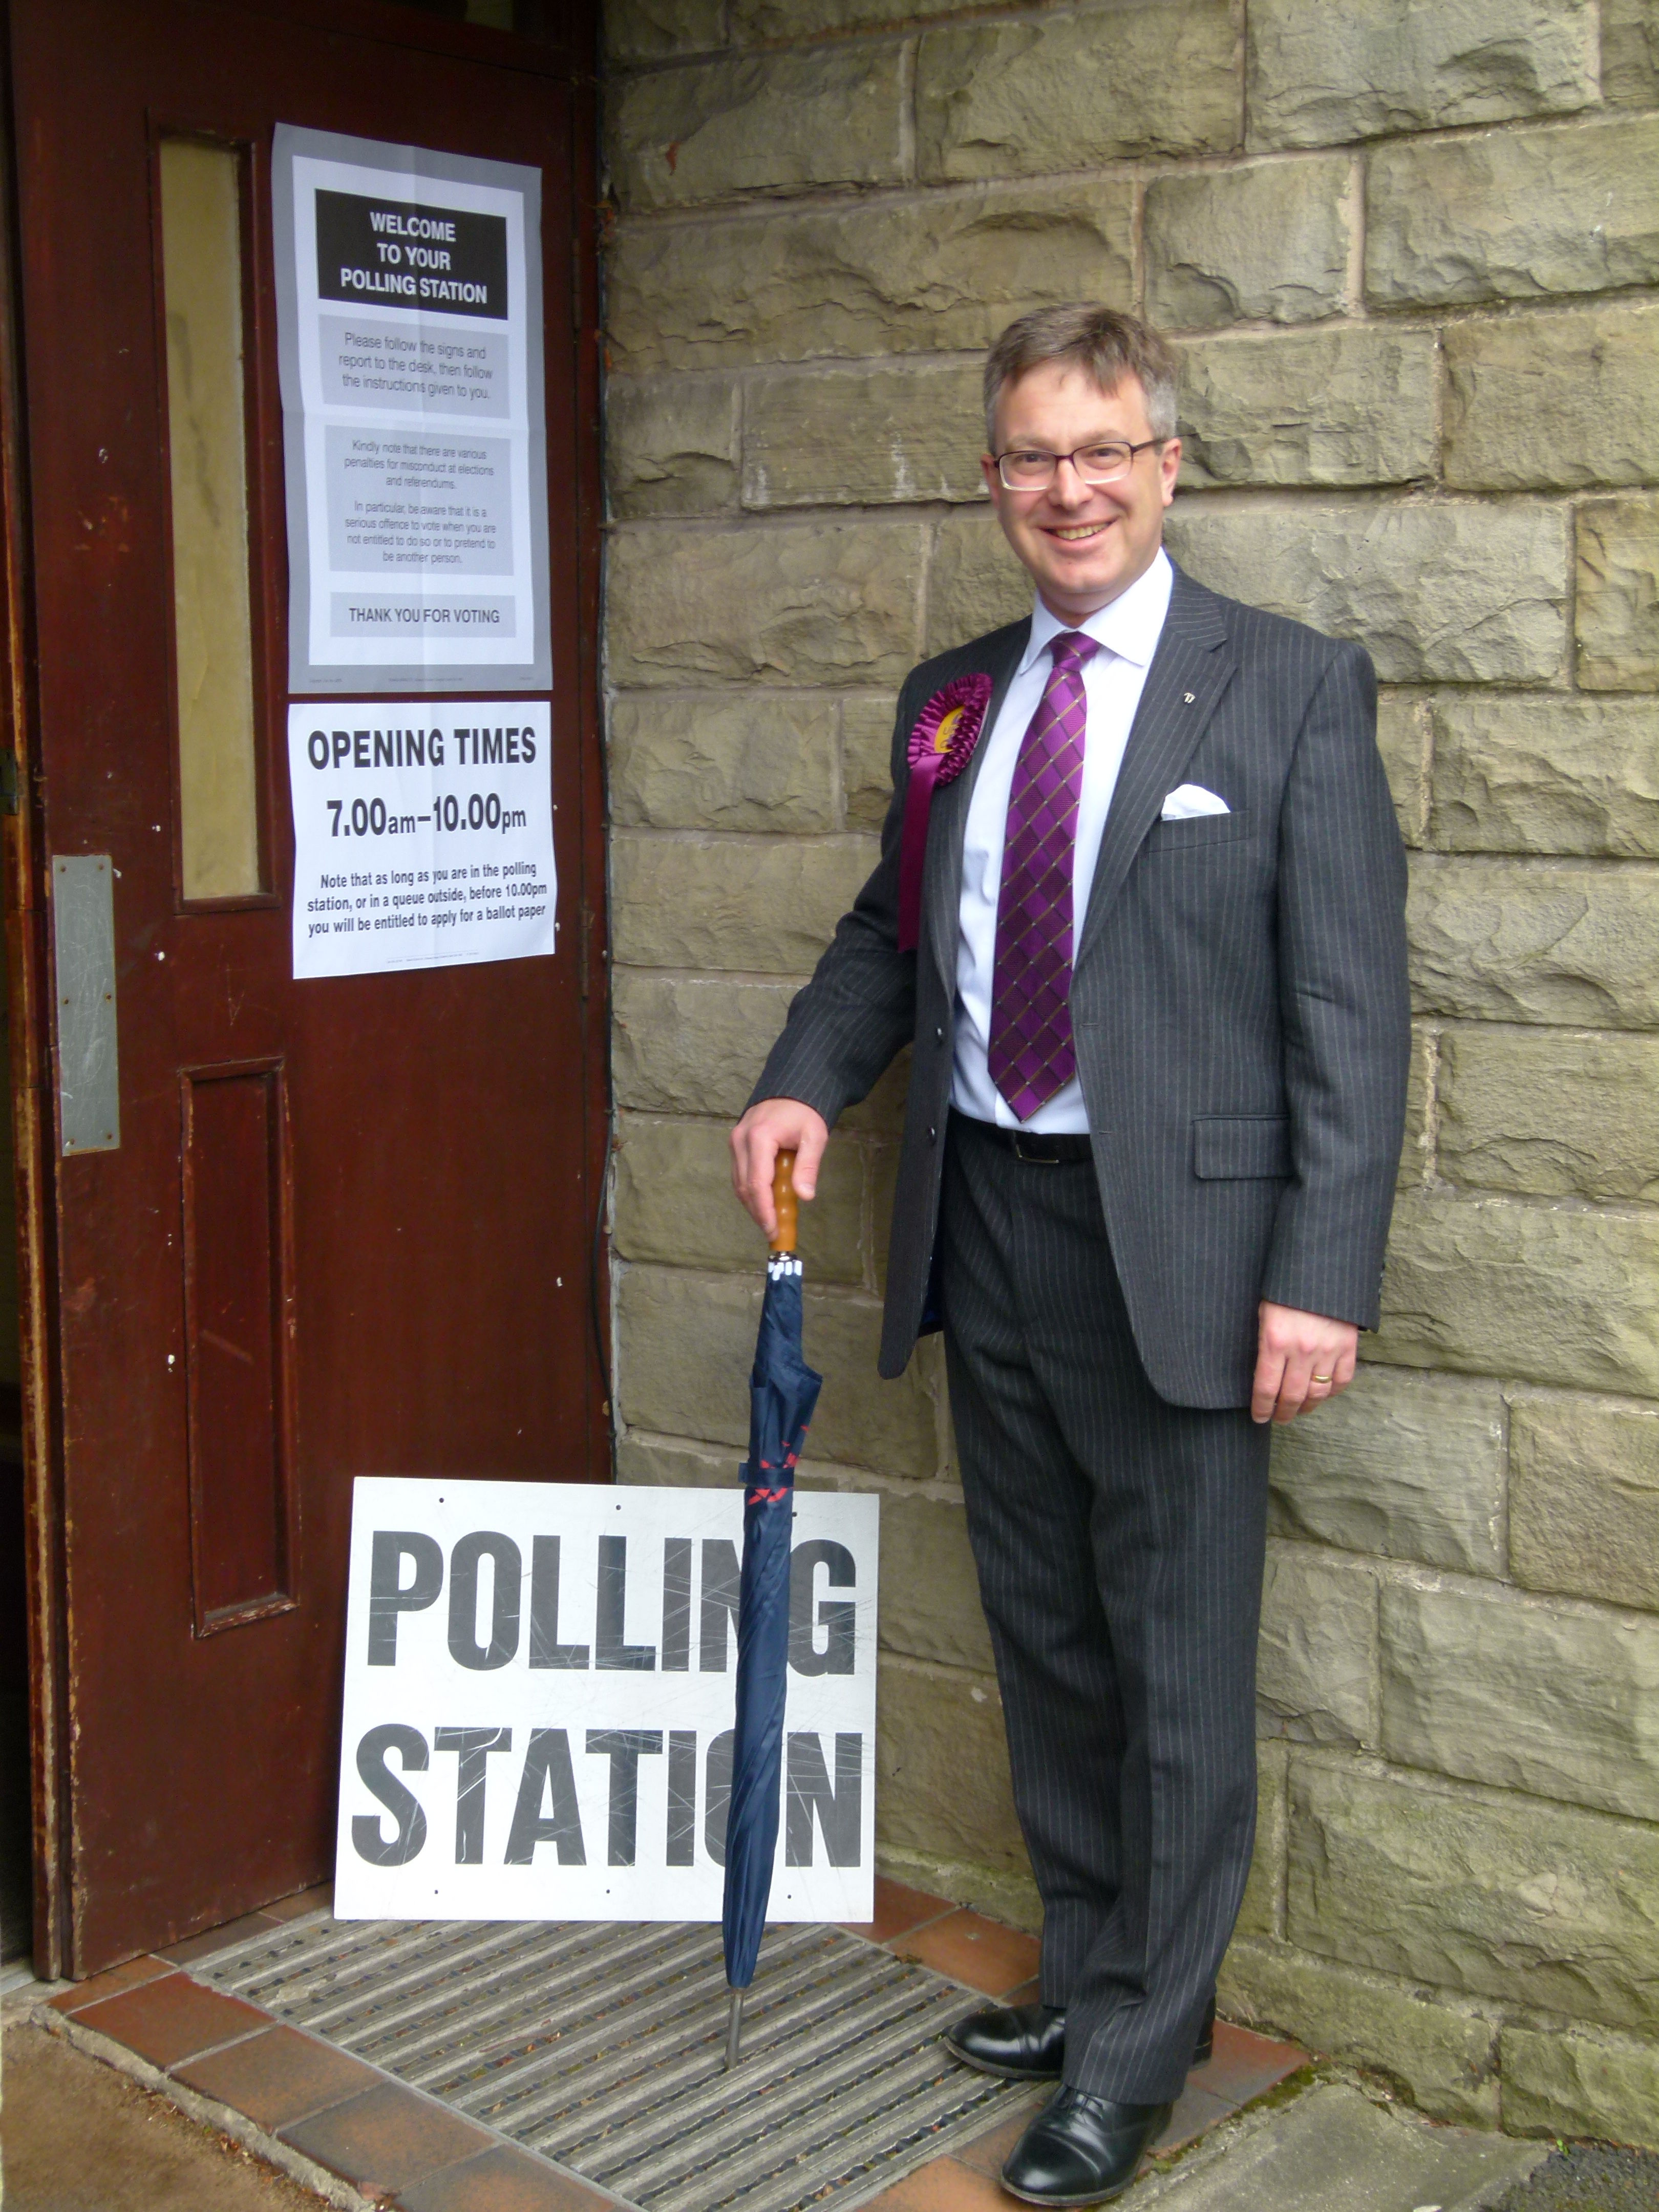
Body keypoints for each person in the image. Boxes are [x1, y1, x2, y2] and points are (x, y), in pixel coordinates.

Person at [730, 304, 1409, 2208]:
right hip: (993, 1217)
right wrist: (803, 1083)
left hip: (1185, 1255)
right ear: (994, 480)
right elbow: (892, 929)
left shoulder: (1284, 687)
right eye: (1034, 455)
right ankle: (1102, 1967)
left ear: (1169, 463)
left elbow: (1351, 1008)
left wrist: (1322, 1273)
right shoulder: (955, 698)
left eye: (1104, 451)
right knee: (1048, 1638)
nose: (1070, 489)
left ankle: (1136, 2052)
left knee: (1178, 1664)